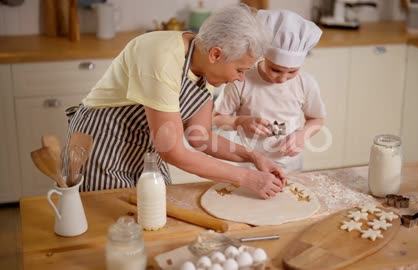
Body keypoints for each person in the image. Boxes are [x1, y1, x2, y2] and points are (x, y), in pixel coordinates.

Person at [65, 4, 285, 199]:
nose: (240, 78)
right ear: (216, 55)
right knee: (114, 227)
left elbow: (201, 136)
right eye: (239, 70)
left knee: (156, 218)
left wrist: (254, 157)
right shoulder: (162, 57)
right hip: (103, 145)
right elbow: (172, 150)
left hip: (147, 149)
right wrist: (246, 178)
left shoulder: (205, 68)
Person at [213, 9, 326, 174]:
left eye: (292, 72)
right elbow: (215, 119)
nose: (282, 78)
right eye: (276, 70)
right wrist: (239, 122)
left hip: (289, 166)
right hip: (247, 166)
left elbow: (317, 119)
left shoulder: (306, 83)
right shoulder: (240, 80)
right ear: (265, 56)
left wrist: (302, 135)